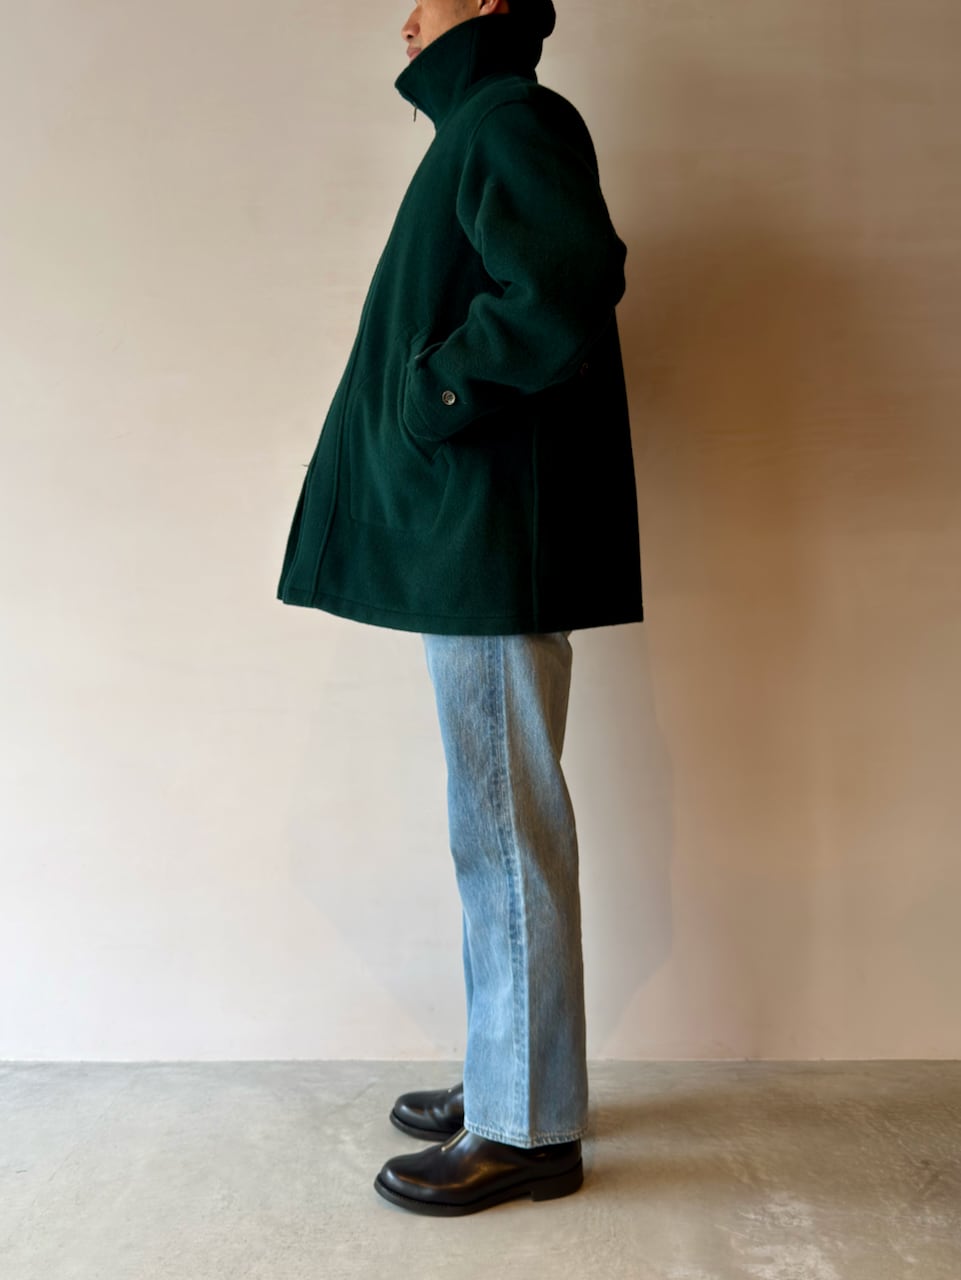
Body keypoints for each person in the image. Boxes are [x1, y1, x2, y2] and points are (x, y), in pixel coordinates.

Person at [276, 0, 643, 1216]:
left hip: (487, 538)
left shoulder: (509, 118)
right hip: (476, 535)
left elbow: (568, 280)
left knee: (501, 824)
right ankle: (510, 1070)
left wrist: (433, 395)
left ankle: (525, 1125)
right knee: (494, 818)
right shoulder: (483, 123)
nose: (403, 16)